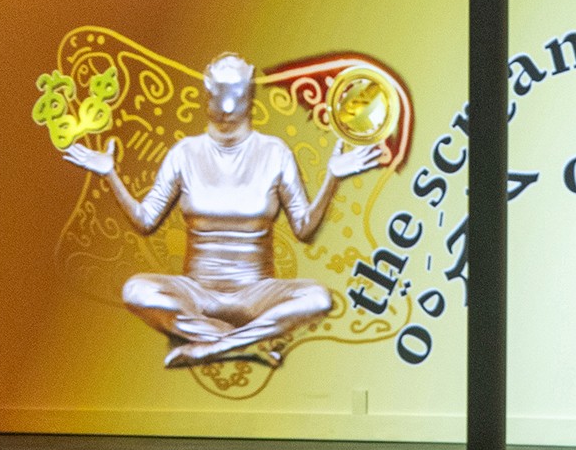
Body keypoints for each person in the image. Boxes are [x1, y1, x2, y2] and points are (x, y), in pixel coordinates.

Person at [61, 52, 385, 367]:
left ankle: (206, 349)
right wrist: (109, 173)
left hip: (257, 293)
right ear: (207, 92)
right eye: (220, 94)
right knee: (136, 290)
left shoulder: (274, 153)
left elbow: (303, 226)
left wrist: (333, 177)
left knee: (318, 298)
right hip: (197, 293)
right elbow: (146, 220)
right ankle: (239, 342)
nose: (228, 106)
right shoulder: (184, 154)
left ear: (249, 94)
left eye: (237, 94)